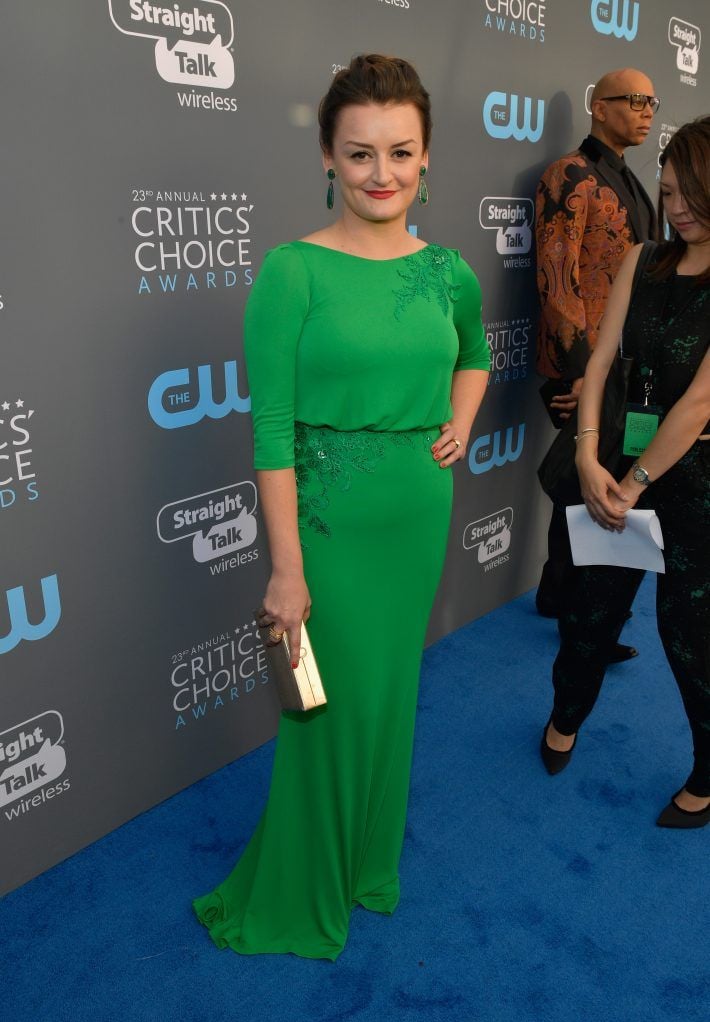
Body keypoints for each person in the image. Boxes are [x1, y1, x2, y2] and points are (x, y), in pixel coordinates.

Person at [193, 54, 491, 958]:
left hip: (417, 510)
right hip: (326, 524)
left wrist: (462, 422)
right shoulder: (292, 272)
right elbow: (272, 433)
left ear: (428, 156)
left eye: (401, 153)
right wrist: (286, 568)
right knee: (322, 708)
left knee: (392, 692)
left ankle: (368, 861)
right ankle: (305, 883)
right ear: (328, 155)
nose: (382, 174)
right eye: (359, 154)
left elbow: (475, 351)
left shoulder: (447, 271)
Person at [540, 117, 710, 829]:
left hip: (695, 480)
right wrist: (585, 454)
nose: (674, 208)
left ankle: (708, 768)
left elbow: (699, 401)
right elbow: (602, 357)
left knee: (689, 632)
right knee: (590, 610)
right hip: (617, 461)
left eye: (690, 195)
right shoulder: (645, 260)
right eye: (668, 192)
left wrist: (634, 484)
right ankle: (563, 720)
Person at [535, 68, 659, 646]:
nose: (647, 111)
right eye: (634, 101)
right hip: (585, 365)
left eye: (652, 102)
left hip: (625, 363)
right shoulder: (570, 174)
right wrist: (581, 371)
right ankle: (571, 606)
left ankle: (565, 597)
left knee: (594, 480)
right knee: (580, 482)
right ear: (599, 106)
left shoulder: (631, 181)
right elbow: (557, 280)